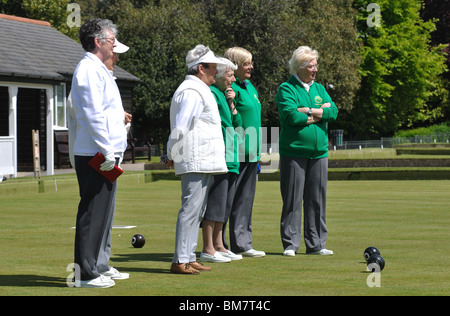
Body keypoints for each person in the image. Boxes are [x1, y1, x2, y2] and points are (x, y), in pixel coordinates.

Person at [71, 18, 129, 288]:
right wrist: (106, 150)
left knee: (103, 213)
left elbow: (104, 110)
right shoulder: (88, 70)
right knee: (92, 212)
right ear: (98, 42)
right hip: (96, 153)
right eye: (111, 40)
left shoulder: (99, 70)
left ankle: (96, 265)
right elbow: (91, 114)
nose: (114, 46)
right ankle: (84, 273)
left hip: (104, 152)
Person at [167, 44, 228, 274]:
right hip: (193, 157)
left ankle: (189, 256)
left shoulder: (198, 89)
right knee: (190, 209)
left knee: (197, 210)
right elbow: (181, 127)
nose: (217, 72)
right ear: (200, 68)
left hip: (201, 158)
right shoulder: (192, 91)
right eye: (213, 68)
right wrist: (171, 153)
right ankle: (179, 260)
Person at [276, 46, 338, 257]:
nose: (315, 70)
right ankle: (290, 245)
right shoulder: (287, 88)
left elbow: (334, 112)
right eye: (311, 66)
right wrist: (320, 113)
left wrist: (308, 111)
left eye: (316, 65)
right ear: (300, 67)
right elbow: (292, 117)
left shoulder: (320, 88)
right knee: (292, 199)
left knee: (317, 199)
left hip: (319, 152)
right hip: (294, 152)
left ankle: (317, 244)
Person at [222, 47, 265, 257]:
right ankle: (220, 245)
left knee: (246, 200)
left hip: (252, 152)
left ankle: (243, 243)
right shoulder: (230, 89)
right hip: (235, 153)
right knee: (228, 200)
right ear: (235, 65)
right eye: (247, 63)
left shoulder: (250, 88)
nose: (251, 67)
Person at [200, 57, 243, 263]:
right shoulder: (212, 93)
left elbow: (237, 123)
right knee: (214, 204)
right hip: (219, 155)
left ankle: (219, 245)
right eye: (230, 75)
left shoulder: (225, 96)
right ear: (218, 76)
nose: (233, 79)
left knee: (224, 205)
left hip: (232, 156)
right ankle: (208, 247)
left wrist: (232, 102)